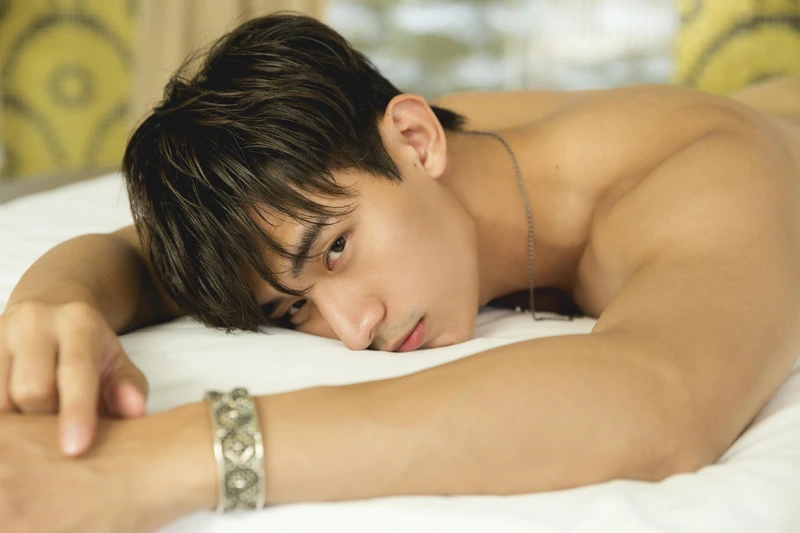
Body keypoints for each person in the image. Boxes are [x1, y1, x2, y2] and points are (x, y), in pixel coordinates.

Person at [1, 12, 800, 532]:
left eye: (337, 250)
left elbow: (655, 401)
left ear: (418, 141)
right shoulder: (391, 158)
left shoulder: (706, 178)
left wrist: (164, 459)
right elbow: (135, 251)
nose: (354, 328)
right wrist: (50, 308)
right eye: (295, 310)